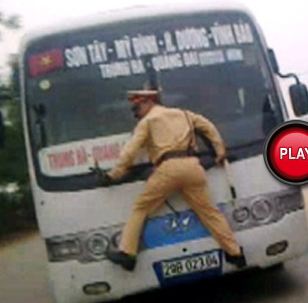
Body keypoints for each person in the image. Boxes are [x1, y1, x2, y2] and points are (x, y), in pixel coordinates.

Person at [100, 89, 246, 271]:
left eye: (136, 108)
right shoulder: (184, 114)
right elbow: (208, 127)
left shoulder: (148, 121)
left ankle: (128, 253)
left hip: (168, 169)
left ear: (147, 102)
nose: (135, 114)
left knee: (141, 207)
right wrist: (220, 151)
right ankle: (235, 254)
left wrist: (112, 175)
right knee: (209, 212)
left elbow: (130, 152)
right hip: (193, 168)